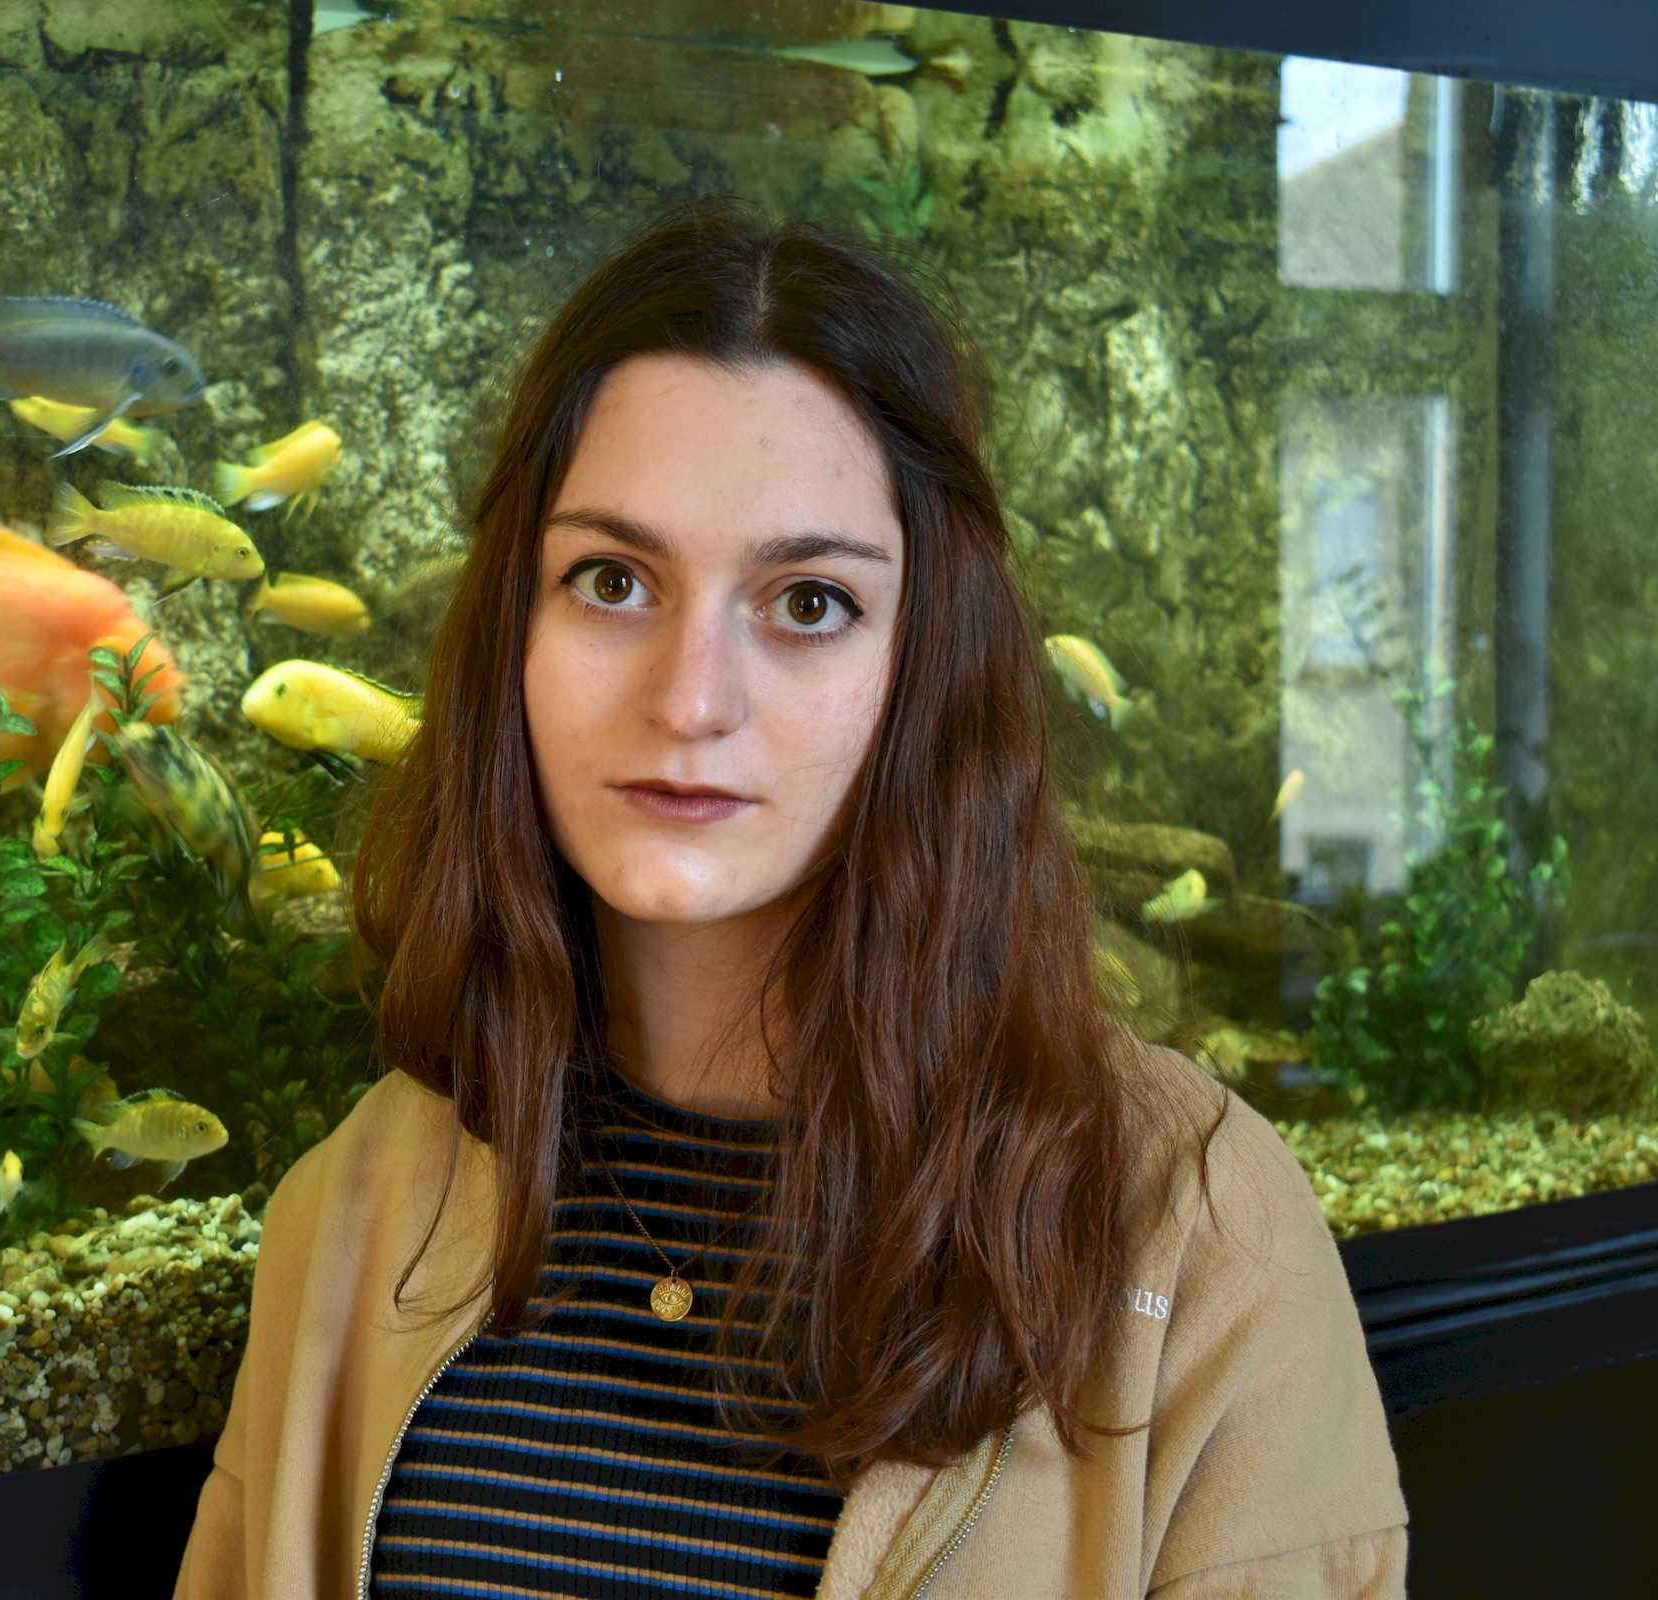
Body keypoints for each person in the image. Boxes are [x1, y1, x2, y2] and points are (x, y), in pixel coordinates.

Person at [171, 196, 1407, 1598]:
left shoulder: (1195, 1232)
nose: (691, 699)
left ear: (926, 665)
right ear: (511, 627)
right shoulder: (358, 1201)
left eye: (809, 601)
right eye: (612, 580)